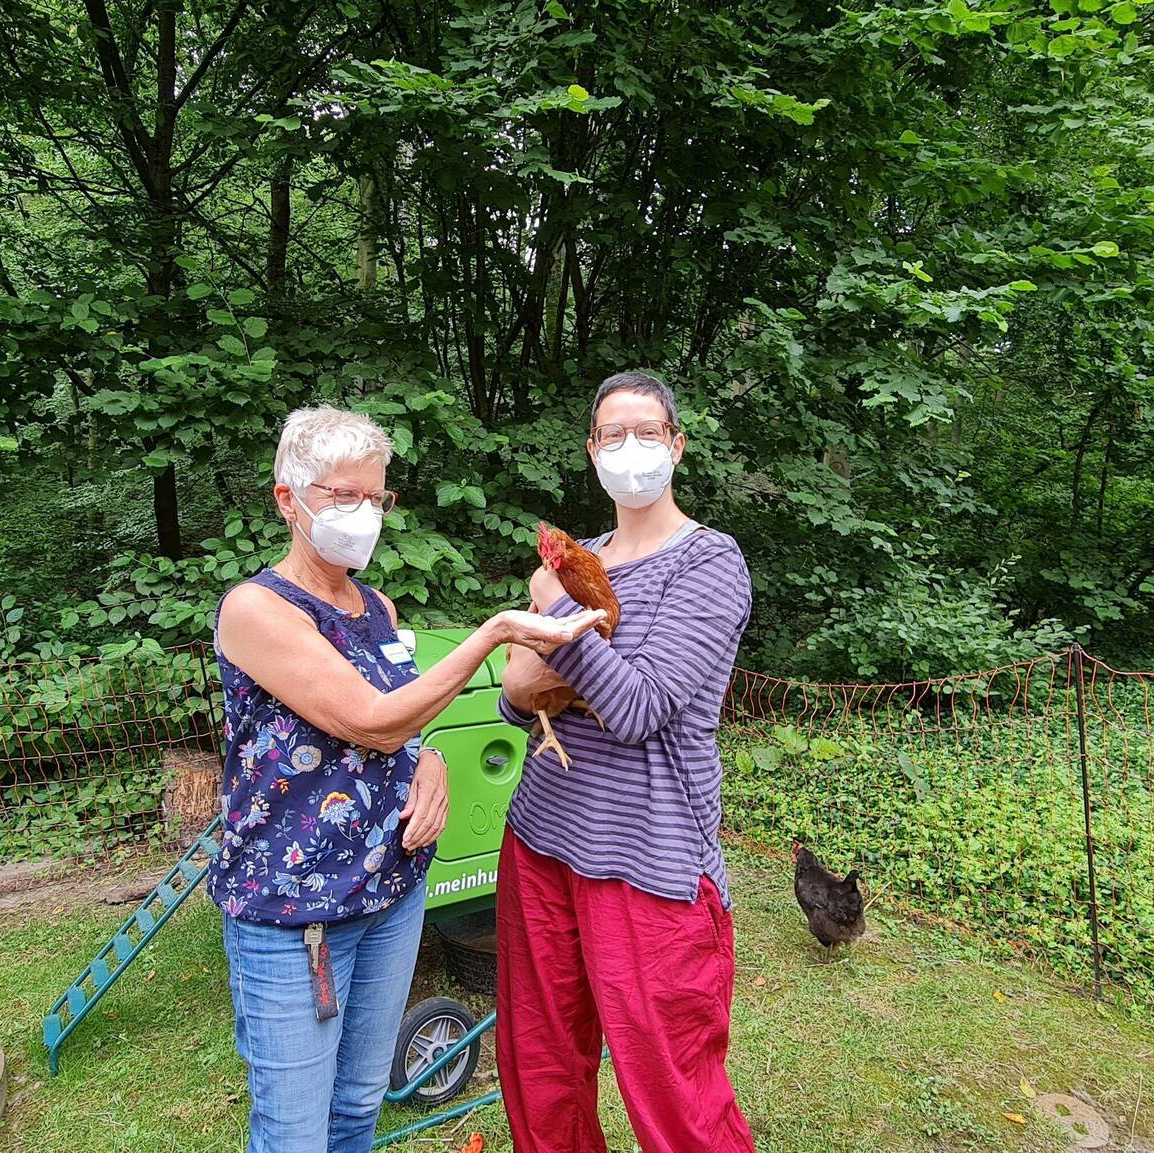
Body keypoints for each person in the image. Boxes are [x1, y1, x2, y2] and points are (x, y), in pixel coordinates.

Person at [212, 405, 604, 1153]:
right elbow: (371, 719)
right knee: (293, 1132)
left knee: (358, 1104)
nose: (364, 514)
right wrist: (494, 632)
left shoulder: (376, 607)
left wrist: (431, 762)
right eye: (341, 496)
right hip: (296, 914)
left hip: (391, 893)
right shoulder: (256, 610)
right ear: (287, 499)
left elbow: (406, 730)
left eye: (376, 497)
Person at [497, 371, 758, 1152]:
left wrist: (552, 614)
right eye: (614, 434)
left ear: (677, 446)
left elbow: (640, 708)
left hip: (648, 857)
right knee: (542, 1072)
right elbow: (515, 697)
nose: (630, 447)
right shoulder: (583, 556)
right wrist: (546, 662)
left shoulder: (710, 563)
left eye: (648, 431)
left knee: (675, 1095)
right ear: (592, 449)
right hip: (542, 836)